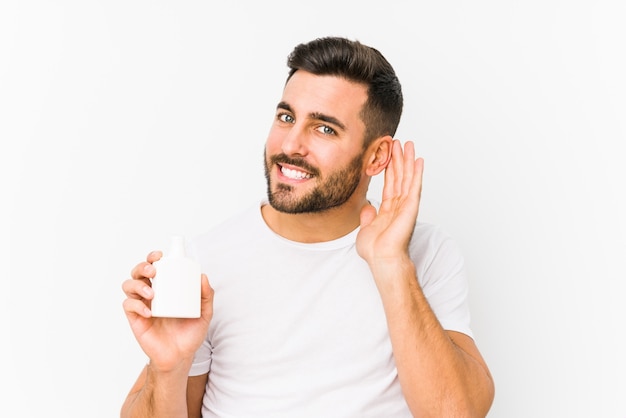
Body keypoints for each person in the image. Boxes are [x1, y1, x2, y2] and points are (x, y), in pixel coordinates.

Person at [121, 36, 495, 418]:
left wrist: (391, 265)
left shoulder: (427, 254)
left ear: (377, 155)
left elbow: (456, 412)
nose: (291, 144)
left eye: (324, 129)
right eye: (286, 117)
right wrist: (167, 369)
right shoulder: (204, 264)